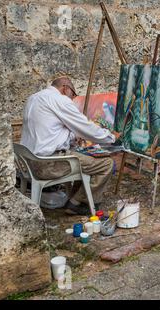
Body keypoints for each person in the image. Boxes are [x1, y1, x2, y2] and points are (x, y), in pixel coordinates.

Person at [21, 76, 119, 215]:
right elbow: (85, 127)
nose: (72, 99)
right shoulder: (59, 100)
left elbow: (49, 131)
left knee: (83, 159)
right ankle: (79, 203)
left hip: (28, 162)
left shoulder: (34, 98)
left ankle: (74, 199)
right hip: (47, 165)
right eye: (73, 94)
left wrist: (73, 136)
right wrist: (112, 138)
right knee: (106, 164)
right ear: (65, 88)